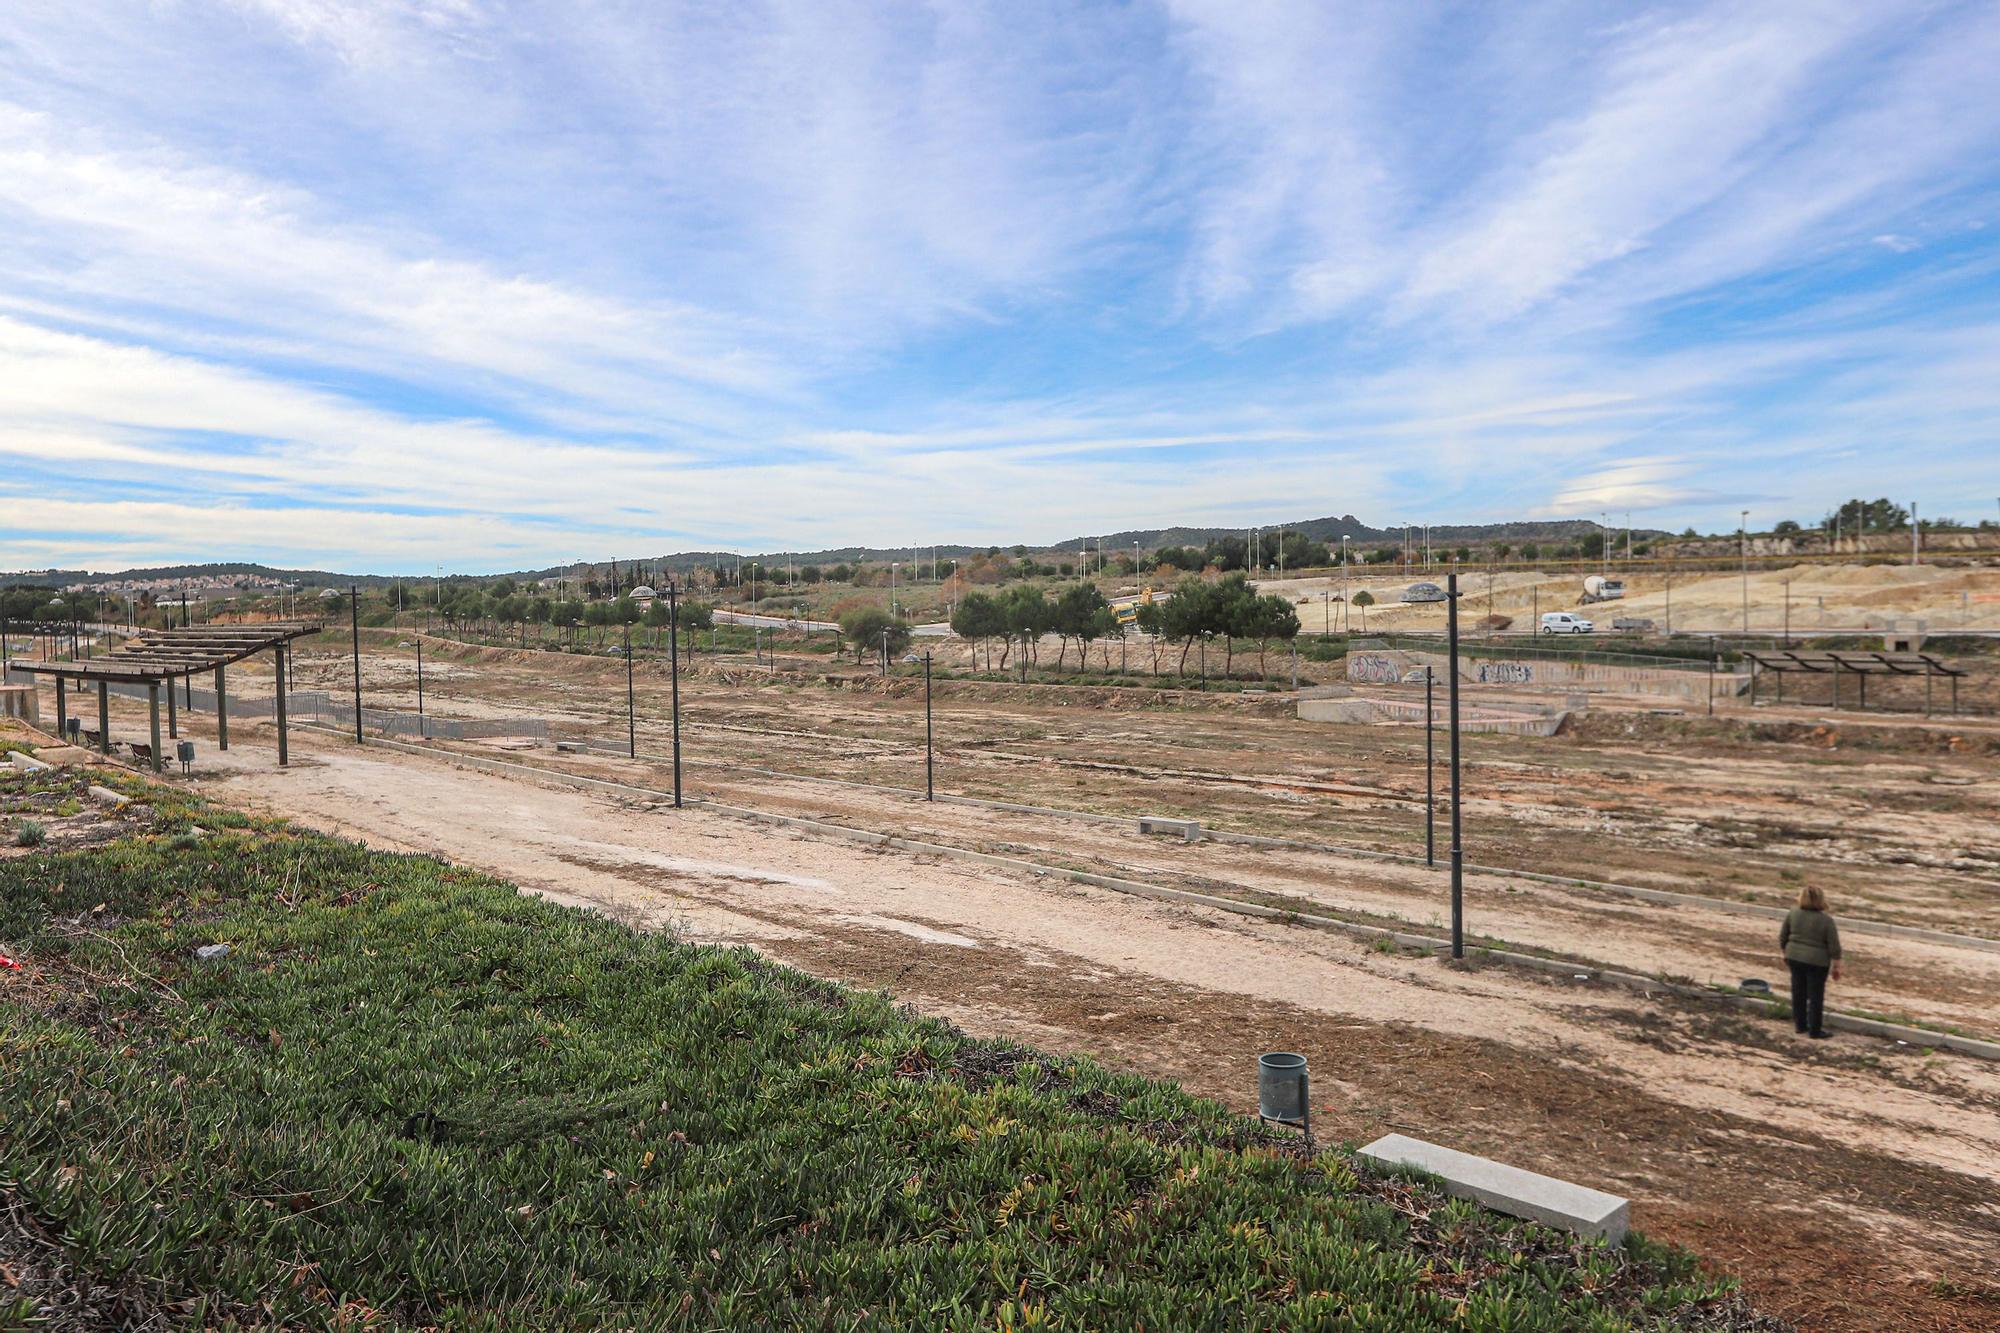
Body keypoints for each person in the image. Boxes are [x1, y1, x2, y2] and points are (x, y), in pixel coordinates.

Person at [1779, 886, 1843, 1039]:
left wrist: (1785, 952)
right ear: (1822, 900)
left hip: (1794, 957)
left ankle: (1800, 1025)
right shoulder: (1826, 920)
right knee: (1815, 996)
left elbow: (1783, 936)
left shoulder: (1793, 914)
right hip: (1817, 962)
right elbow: (1834, 945)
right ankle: (1815, 1030)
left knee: (1798, 992)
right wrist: (1837, 965)